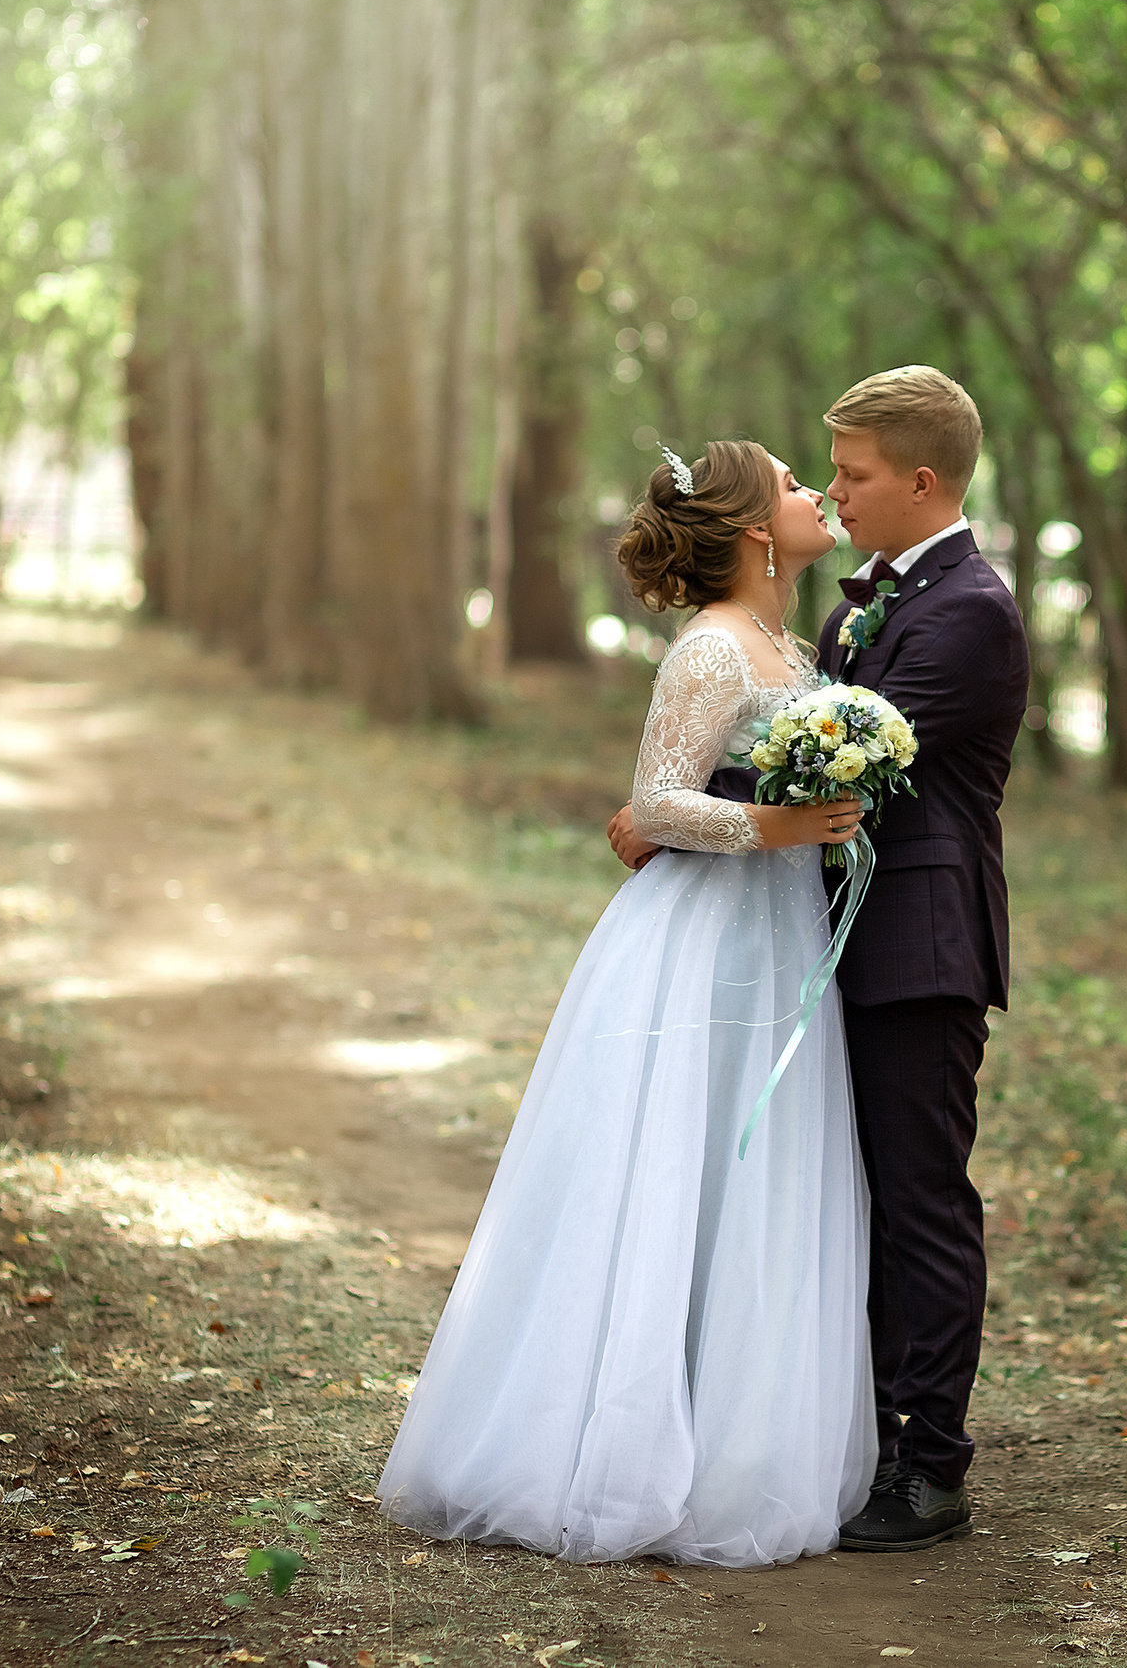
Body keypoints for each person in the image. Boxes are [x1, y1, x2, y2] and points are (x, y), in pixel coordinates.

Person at [378, 440, 872, 1568]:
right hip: (704, 944)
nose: (813, 497)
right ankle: (606, 1445)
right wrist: (775, 827)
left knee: (745, 1181)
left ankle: (731, 1433)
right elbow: (655, 800)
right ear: (755, 530)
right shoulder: (708, 649)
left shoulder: (785, 643)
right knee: (669, 1168)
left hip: (777, 935)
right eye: (796, 485)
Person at [610, 366, 1030, 1552]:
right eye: (823, 476)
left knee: (917, 1203)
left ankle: (930, 1463)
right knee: (836, 1200)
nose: (835, 491)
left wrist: (670, 809)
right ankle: (846, 1429)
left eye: (848, 474)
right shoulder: (850, 611)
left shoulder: (970, 612)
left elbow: (858, 767)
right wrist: (686, 805)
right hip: (811, 937)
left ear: (921, 479)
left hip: (917, 949)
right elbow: (807, 741)